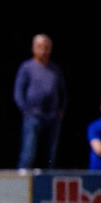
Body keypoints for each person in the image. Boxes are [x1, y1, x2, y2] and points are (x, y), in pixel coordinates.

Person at [13, 33, 67, 170]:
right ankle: (22, 182)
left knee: (50, 154)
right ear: (33, 48)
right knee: (29, 153)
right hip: (33, 115)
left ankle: (47, 183)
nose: (43, 50)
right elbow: (18, 91)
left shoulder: (55, 70)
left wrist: (61, 110)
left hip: (52, 117)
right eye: (40, 47)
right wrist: (25, 109)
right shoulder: (27, 67)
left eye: (46, 47)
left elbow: (62, 92)